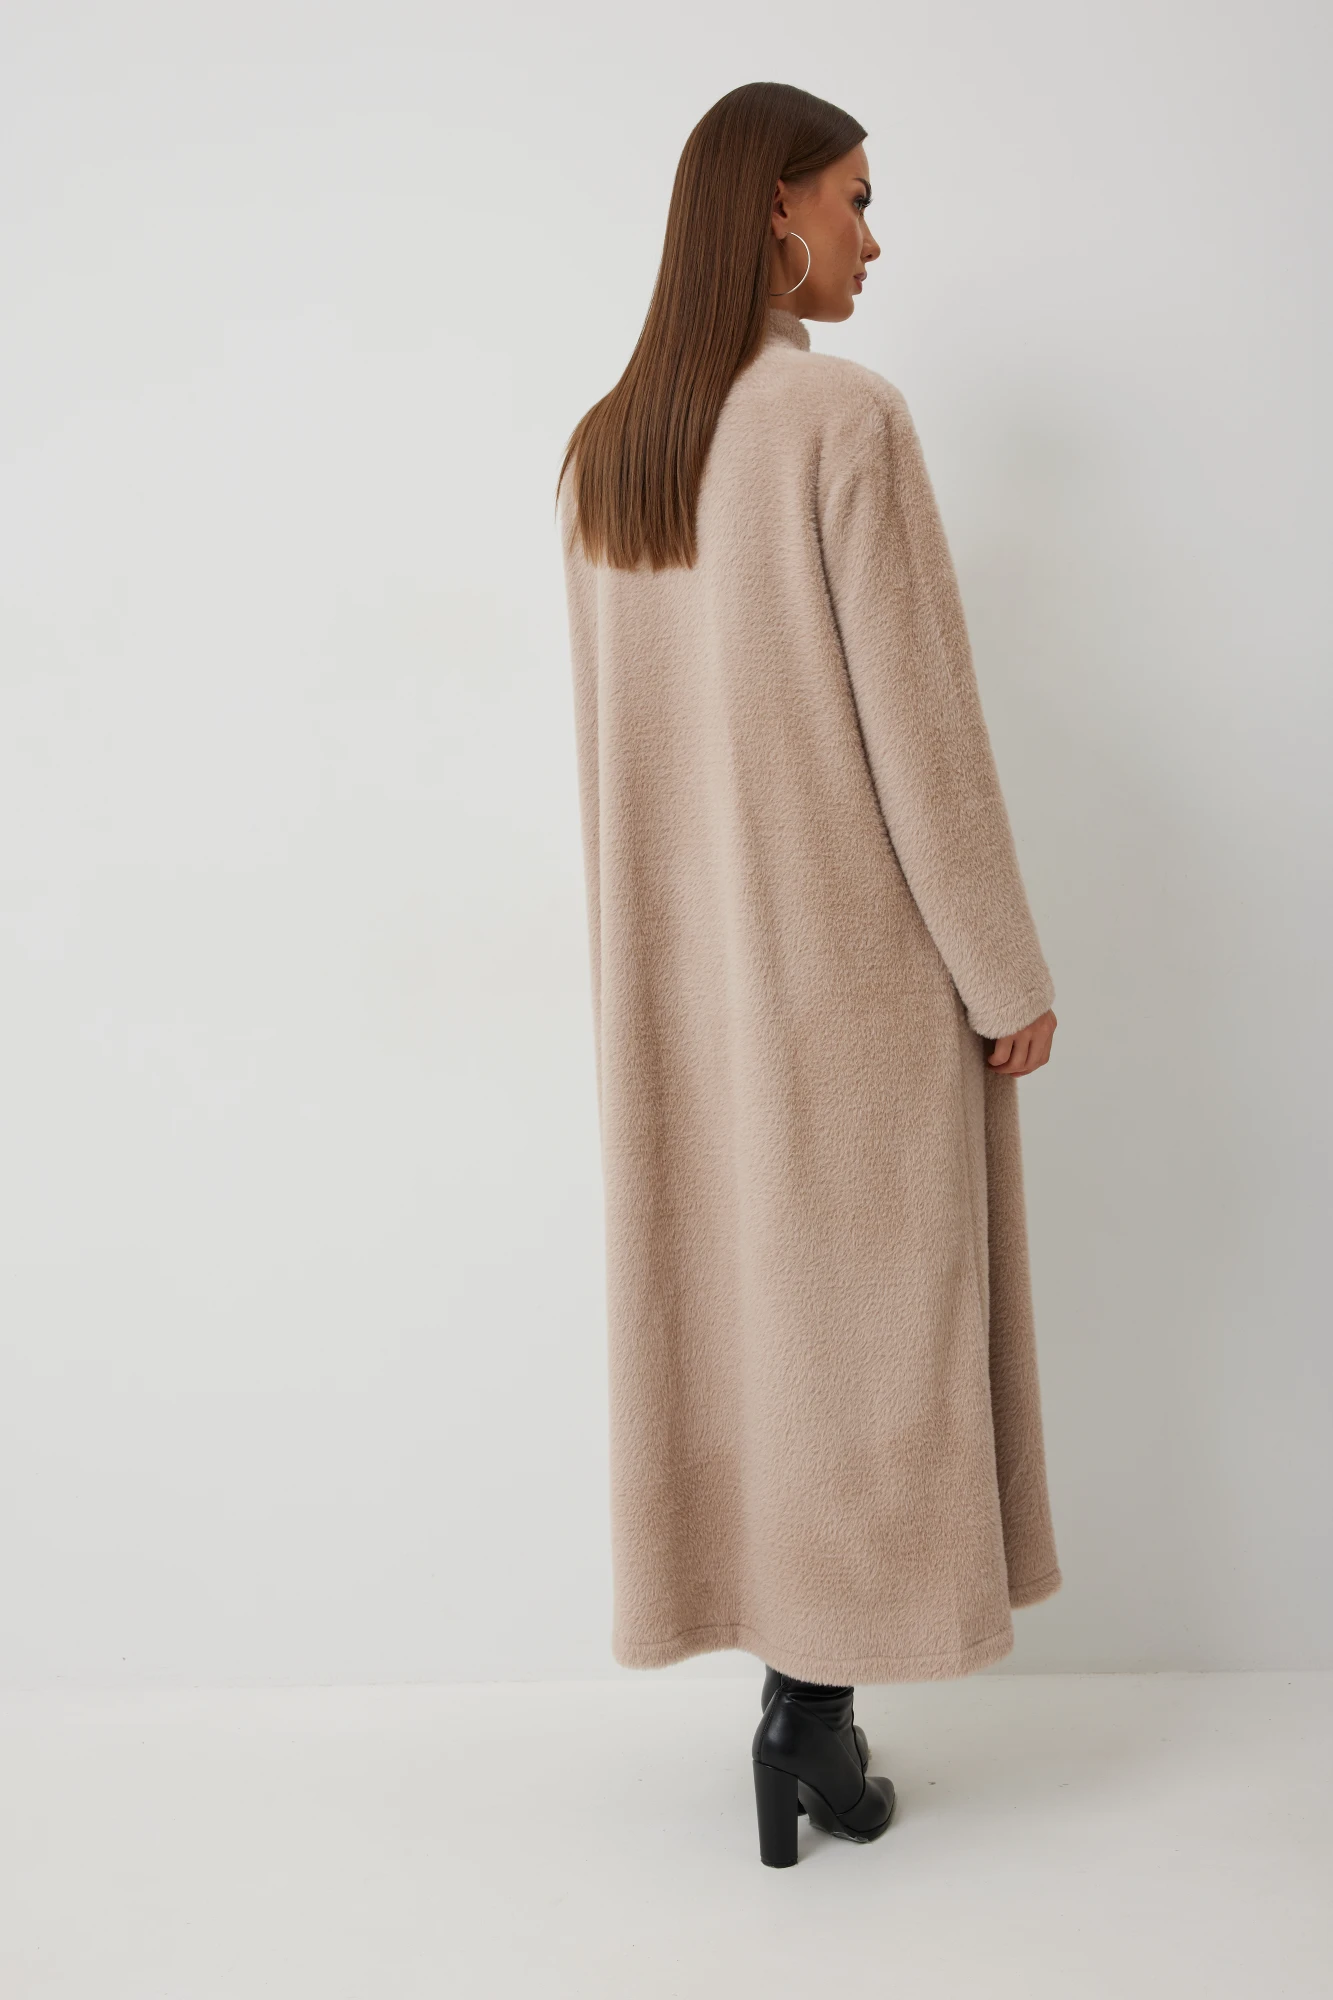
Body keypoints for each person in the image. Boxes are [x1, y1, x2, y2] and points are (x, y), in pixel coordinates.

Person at [557, 81, 1061, 1868]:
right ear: (774, 209)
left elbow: (616, 749)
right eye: (854, 197)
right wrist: (1003, 974)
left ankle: (799, 1712)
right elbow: (928, 745)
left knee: (755, 1343)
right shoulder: (842, 422)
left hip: (679, 1000)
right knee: (869, 1353)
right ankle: (810, 1717)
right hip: (846, 980)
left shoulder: (609, 452)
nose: (873, 235)